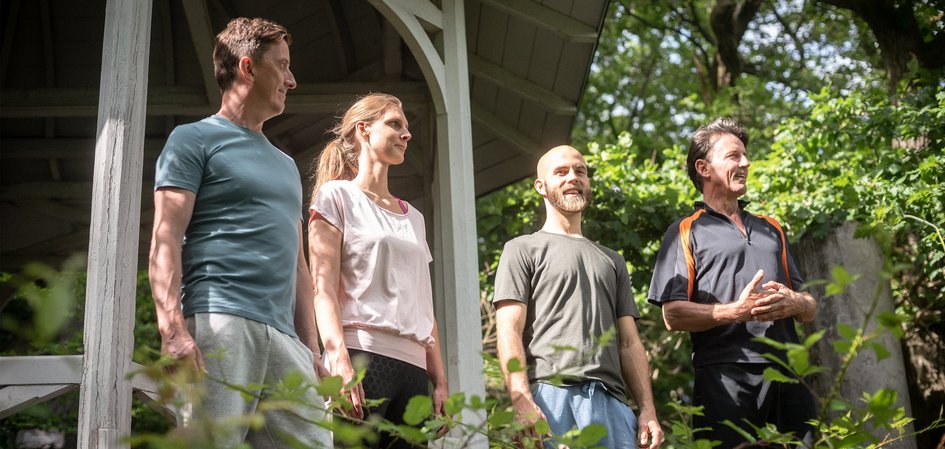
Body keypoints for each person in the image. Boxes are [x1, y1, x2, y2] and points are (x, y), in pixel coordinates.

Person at [148, 17, 331, 449]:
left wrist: (312, 351)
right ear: (248, 68)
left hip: (286, 341)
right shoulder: (193, 139)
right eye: (282, 66)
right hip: (219, 323)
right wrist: (172, 329)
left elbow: (298, 264)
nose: (292, 79)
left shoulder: (286, 164)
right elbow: (165, 237)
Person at [648, 118, 817, 448]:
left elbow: (809, 307)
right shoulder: (684, 230)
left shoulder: (772, 228)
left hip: (788, 373)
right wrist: (735, 312)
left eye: (745, 156)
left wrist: (796, 303)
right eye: (734, 156)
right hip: (724, 377)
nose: (746, 163)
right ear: (704, 167)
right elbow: (672, 316)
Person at [493, 145, 664, 449]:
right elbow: (509, 329)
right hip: (550, 398)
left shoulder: (612, 260)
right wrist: (521, 400)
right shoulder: (521, 249)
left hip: (612, 403)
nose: (573, 177)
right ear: (540, 186)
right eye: (561, 172)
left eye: (580, 171)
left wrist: (647, 409)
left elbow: (629, 342)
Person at [308, 93, 448, 448]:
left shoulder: (414, 217)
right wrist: (336, 355)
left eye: (407, 127)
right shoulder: (335, 196)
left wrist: (441, 381)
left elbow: (424, 303)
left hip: (415, 370)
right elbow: (321, 289)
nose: (406, 134)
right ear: (364, 130)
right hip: (362, 357)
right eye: (395, 124)